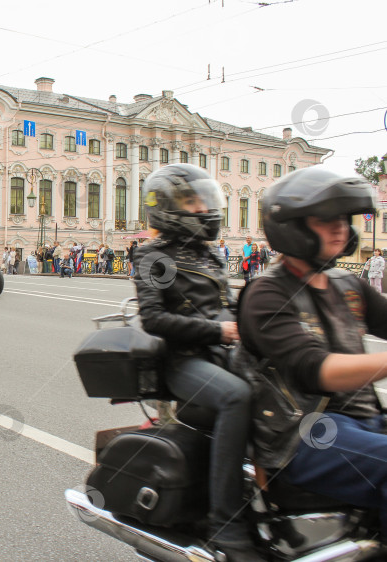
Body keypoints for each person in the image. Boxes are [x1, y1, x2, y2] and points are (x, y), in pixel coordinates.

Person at [238, 167, 387, 540]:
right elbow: (316, 369)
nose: (340, 227)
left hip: (365, 422)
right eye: (325, 219)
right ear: (290, 226)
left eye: (342, 218)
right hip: (305, 435)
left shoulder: (347, 284)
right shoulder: (267, 294)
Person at [133, 164, 257, 561]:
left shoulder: (209, 255)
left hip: (227, 354)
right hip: (185, 362)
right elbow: (152, 320)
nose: (204, 208)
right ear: (167, 207)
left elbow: (230, 307)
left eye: (205, 199)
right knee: (236, 397)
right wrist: (219, 332)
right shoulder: (153, 257)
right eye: (192, 201)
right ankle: (225, 522)